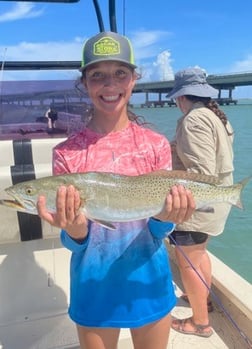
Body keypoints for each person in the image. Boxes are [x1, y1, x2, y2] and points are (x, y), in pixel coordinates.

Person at [37, 31, 195, 349]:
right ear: (84, 83)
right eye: (98, 76)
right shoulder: (66, 154)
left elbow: (159, 229)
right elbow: (76, 241)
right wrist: (75, 229)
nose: (110, 85)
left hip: (148, 281)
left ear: (134, 79)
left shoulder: (155, 146)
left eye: (120, 73)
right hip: (94, 288)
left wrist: (168, 217)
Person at [167, 67, 234, 338]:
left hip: (195, 206)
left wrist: (164, 178)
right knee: (199, 255)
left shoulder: (193, 120)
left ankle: (200, 323)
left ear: (182, 97)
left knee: (188, 263)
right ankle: (202, 300)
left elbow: (202, 173)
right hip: (217, 201)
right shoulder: (217, 117)